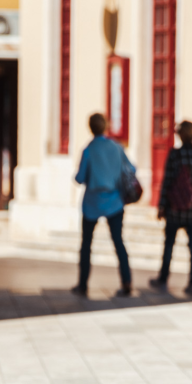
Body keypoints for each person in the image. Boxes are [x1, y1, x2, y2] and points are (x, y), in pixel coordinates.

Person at [71, 113, 133, 297]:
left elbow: (80, 177)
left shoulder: (89, 150)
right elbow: (131, 169)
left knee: (86, 244)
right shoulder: (116, 148)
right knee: (118, 242)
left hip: (92, 202)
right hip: (114, 201)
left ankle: (83, 284)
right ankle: (127, 281)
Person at [149, 121, 192, 296]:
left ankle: (163, 277)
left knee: (169, 244)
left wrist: (162, 205)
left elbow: (167, 181)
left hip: (175, 208)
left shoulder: (176, 154)